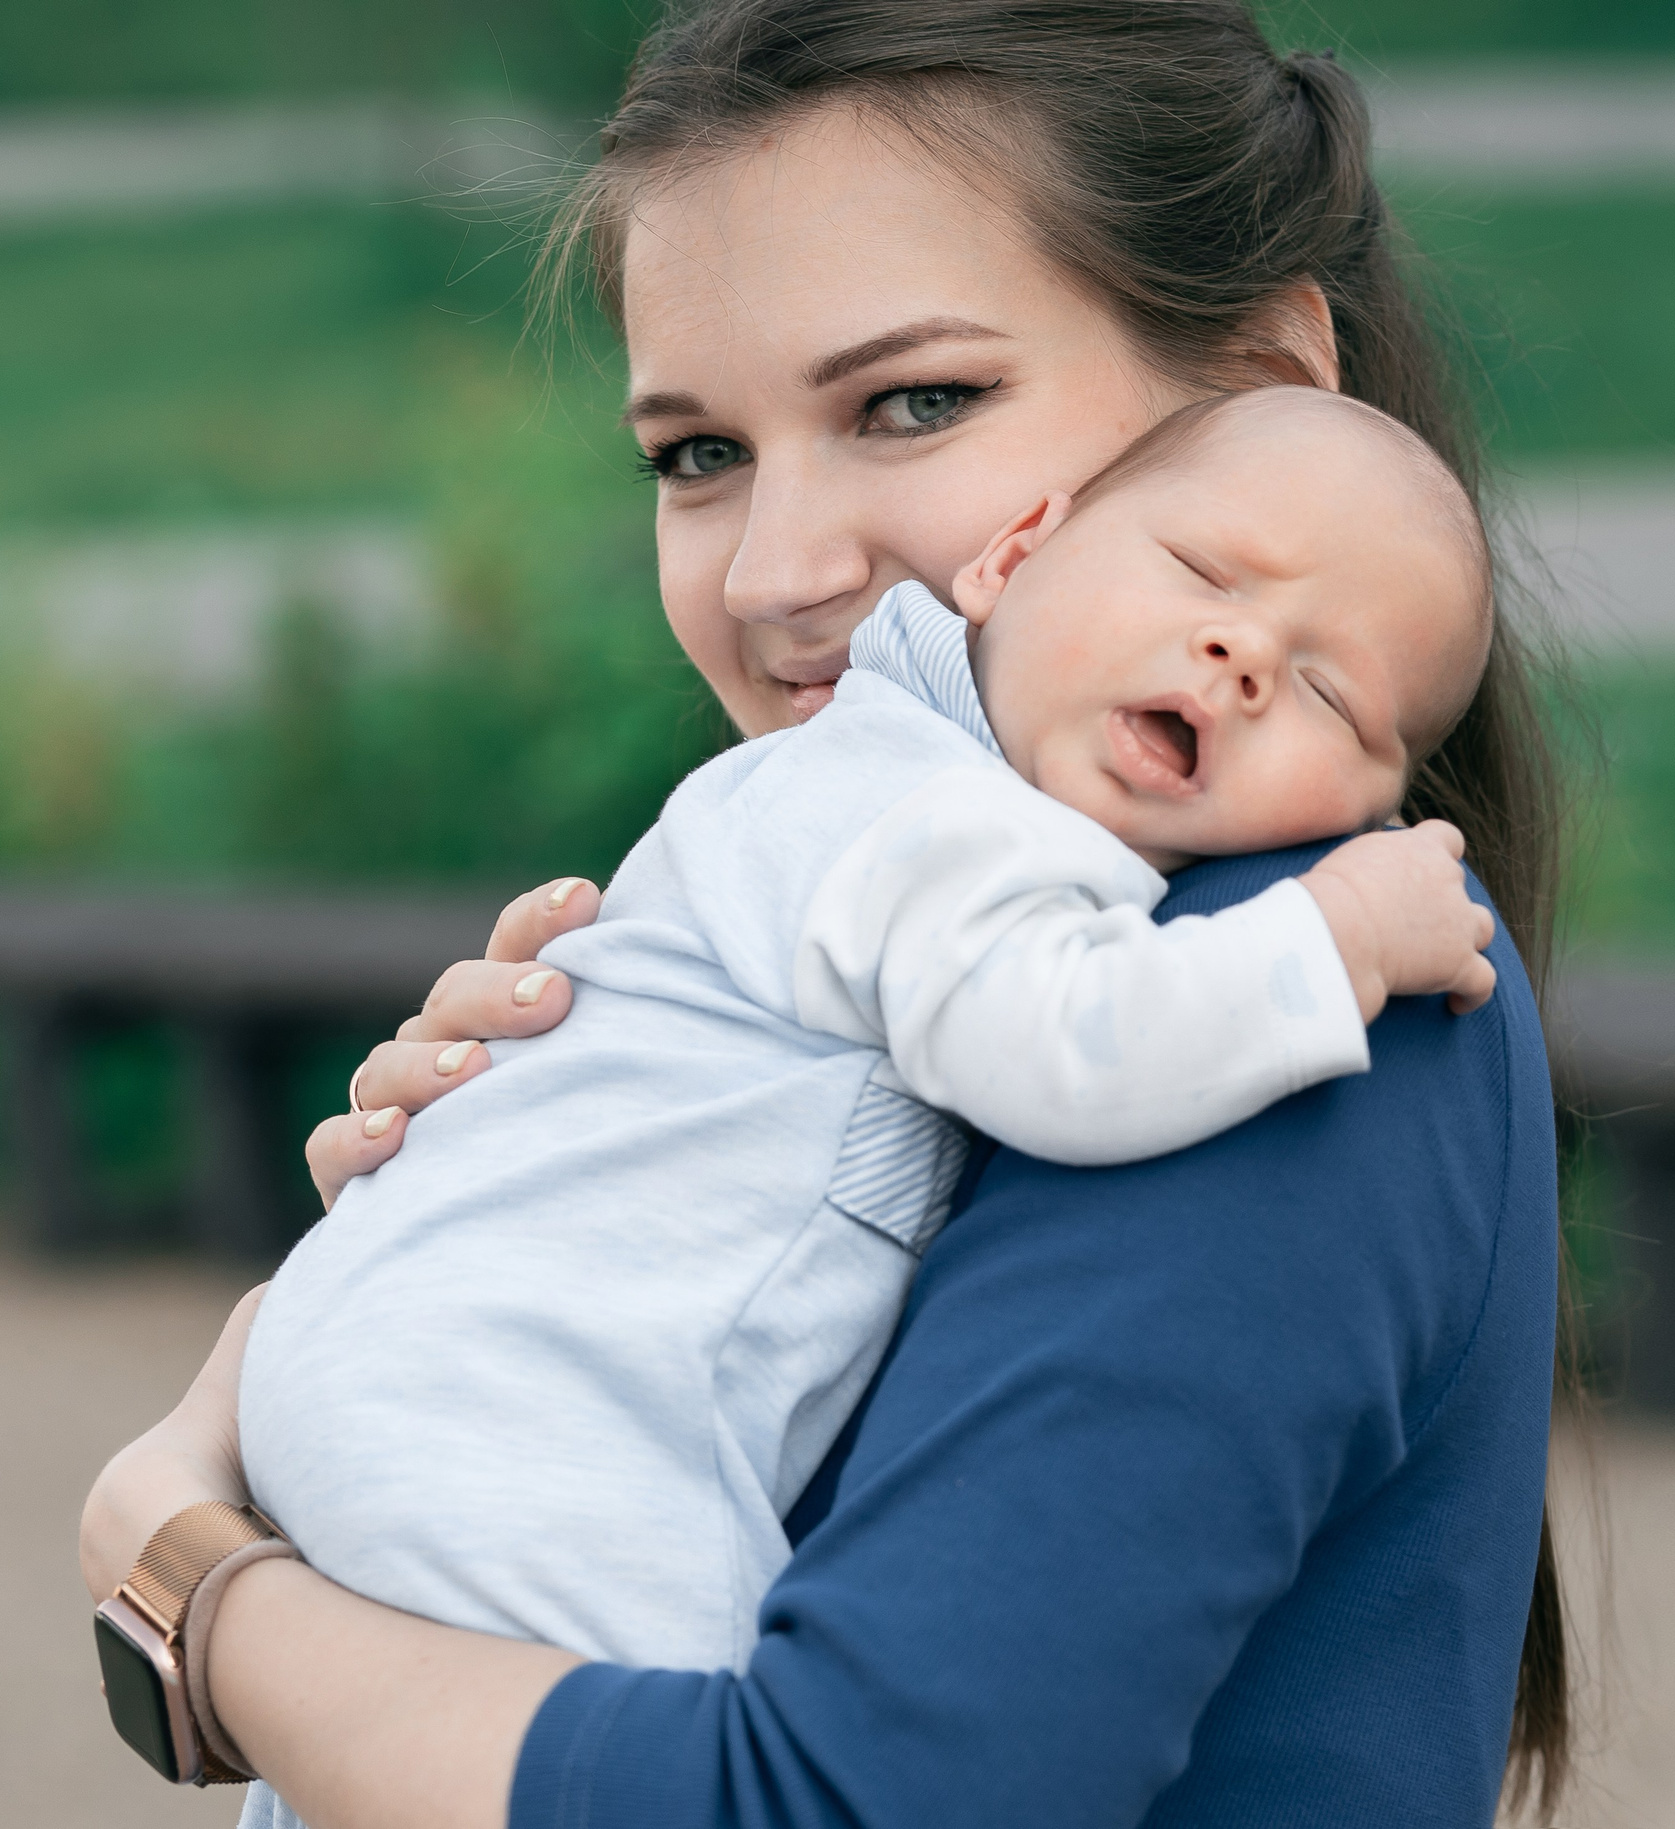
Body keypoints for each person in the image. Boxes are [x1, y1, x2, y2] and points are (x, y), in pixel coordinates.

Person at [81, 3, 1574, 1824]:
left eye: (914, 403)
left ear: (1264, 390)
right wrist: (533, 1272)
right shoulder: (956, 906)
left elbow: (844, 1803)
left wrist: (190, 1576)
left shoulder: (1271, 997)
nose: (783, 570)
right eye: (695, 454)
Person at [238, 387, 1503, 1757]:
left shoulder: (877, 780)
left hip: (422, 1375)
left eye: (1328, 688)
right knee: (688, 1753)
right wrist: (1337, 936)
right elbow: (1066, 1044)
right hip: (538, 1414)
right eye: (1201, 572)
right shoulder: (935, 810)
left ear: (1372, 806)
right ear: (1015, 557)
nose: (1241, 651)